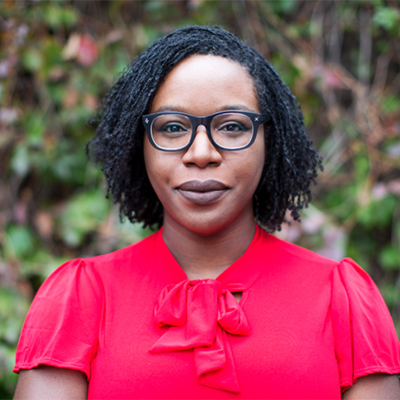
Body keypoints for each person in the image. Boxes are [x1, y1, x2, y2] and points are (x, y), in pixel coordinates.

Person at [13, 26, 400, 400]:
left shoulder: (342, 299)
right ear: (139, 143)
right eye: (172, 128)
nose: (201, 154)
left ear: (271, 140)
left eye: (232, 126)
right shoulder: (81, 298)